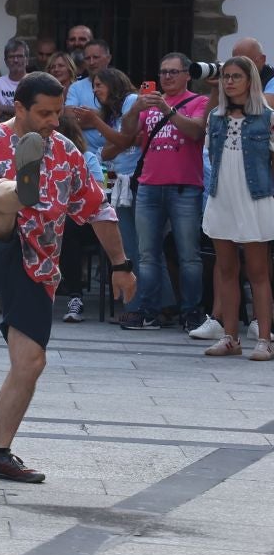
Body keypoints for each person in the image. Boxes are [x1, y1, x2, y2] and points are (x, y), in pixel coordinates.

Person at [0, 73, 135, 484]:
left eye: (57, 113)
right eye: (44, 113)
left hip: (35, 263)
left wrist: (121, 265)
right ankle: (17, 189)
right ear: (18, 108)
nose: (53, 121)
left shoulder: (66, 153)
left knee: (30, 362)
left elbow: (98, 210)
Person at [106, 52, 209, 332]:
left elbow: (196, 132)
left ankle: (191, 312)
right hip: (149, 187)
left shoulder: (199, 102)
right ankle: (149, 312)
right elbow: (128, 134)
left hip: (184, 187)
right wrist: (134, 109)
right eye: (163, 72)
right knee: (147, 254)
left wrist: (167, 110)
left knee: (189, 255)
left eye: (173, 72)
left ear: (187, 75)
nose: (167, 77)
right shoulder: (150, 104)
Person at [198, 56, 274, 359]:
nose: (229, 82)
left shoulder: (267, 117)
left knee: (258, 271)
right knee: (226, 269)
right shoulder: (215, 118)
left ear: (250, 80)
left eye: (236, 76)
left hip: (254, 198)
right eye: (226, 76)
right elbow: (211, 157)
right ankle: (230, 337)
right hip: (222, 196)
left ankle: (265, 339)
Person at [0, 38, 31, 105]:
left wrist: (4, 108)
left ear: (27, 60)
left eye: (20, 56)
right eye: (11, 57)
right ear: (6, 61)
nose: (15, 60)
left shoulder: (36, 83)